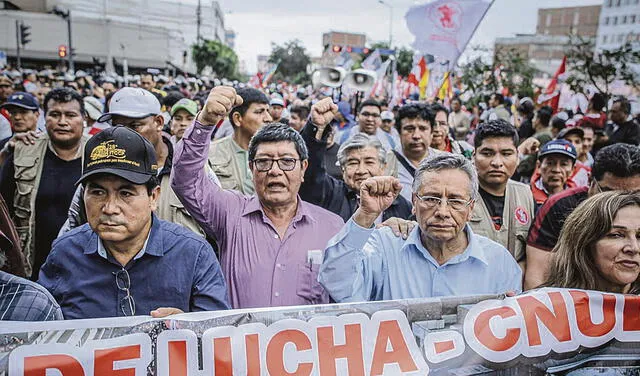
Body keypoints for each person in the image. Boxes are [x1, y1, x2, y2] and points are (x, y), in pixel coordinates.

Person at [172, 86, 344, 309]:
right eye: (264, 162)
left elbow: (346, 299)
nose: (274, 171)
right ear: (251, 168)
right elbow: (186, 181)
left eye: (286, 161)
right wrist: (205, 122)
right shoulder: (229, 213)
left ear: (303, 169)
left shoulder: (332, 227)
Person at [39, 126, 229, 319]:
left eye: (126, 194)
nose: (110, 208)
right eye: (97, 192)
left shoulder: (193, 254)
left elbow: (218, 334)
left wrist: (190, 327)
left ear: (153, 197)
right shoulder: (64, 253)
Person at [318, 153, 522, 302]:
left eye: (455, 201)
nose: (442, 211)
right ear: (414, 202)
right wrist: (365, 215)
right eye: (431, 199)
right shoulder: (386, 246)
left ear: (470, 208)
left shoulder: (498, 262)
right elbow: (337, 282)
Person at [59, 87, 206, 238]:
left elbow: (219, 229)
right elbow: (71, 229)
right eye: (117, 126)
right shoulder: (100, 171)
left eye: (134, 126)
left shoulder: (191, 169)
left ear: (159, 122)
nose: (125, 134)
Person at [525, 144, 640, 290]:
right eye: (609, 193)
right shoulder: (560, 206)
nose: (622, 202)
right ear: (591, 183)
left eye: (634, 195)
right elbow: (538, 276)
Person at [0, 88, 87, 280]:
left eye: (70, 115)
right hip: (30, 266)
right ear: (44, 117)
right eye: (55, 114)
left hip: (83, 267)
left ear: (83, 118)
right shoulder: (24, 150)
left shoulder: (98, 153)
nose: (62, 121)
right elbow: (2, 206)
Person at [300, 102, 411, 222]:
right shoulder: (330, 193)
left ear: (383, 167)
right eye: (353, 163)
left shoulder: (400, 205)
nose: (361, 171)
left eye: (369, 162)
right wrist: (316, 127)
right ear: (343, 169)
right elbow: (310, 174)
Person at [542, 191, 640, 294]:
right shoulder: (547, 305)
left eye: (639, 236)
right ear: (585, 243)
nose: (634, 248)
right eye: (616, 235)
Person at [469, 120, 534, 265]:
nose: (497, 162)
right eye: (487, 153)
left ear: (517, 156)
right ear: (474, 156)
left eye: (506, 154)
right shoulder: (459, 194)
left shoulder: (525, 195)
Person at [208, 87, 272, 194]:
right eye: (259, 112)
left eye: (267, 111)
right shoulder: (212, 153)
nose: (268, 118)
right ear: (237, 118)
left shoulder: (276, 154)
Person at [385, 103, 440, 203]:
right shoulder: (385, 164)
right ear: (399, 133)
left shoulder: (444, 163)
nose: (416, 135)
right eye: (409, 129)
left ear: (432, 133)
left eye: (423, 129)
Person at [530, 139, 578, 207]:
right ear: (539, 166)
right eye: (550, 163)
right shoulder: (526, 194)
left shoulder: (578, 199)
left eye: (563, 164)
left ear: (572, 170)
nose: (556, 170)